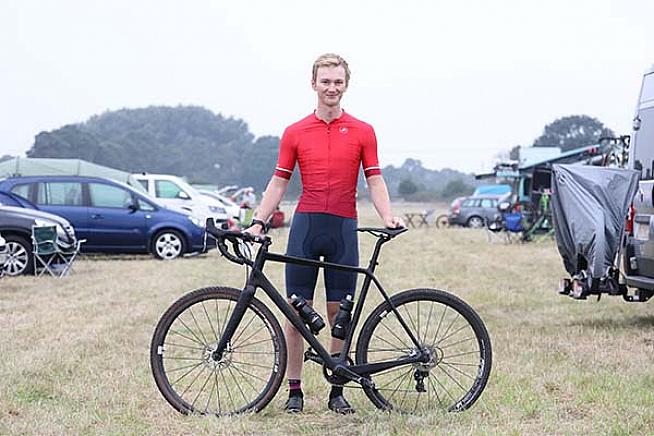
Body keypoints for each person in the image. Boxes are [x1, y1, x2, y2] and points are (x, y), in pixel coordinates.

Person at [246, 53, 403, 414]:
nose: (332, 88)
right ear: (313, 83)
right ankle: (294, 391)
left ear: (346, 85)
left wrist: (388, 215)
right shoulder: (295, 131)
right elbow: (279, 181)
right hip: (306, 227)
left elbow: (374, 178)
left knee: (339, 315)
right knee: (296, 313)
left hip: (343, 228)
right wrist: (258, 221)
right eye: (326, 81)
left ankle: (337, 390)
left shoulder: (363, 131)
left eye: (338, 82)